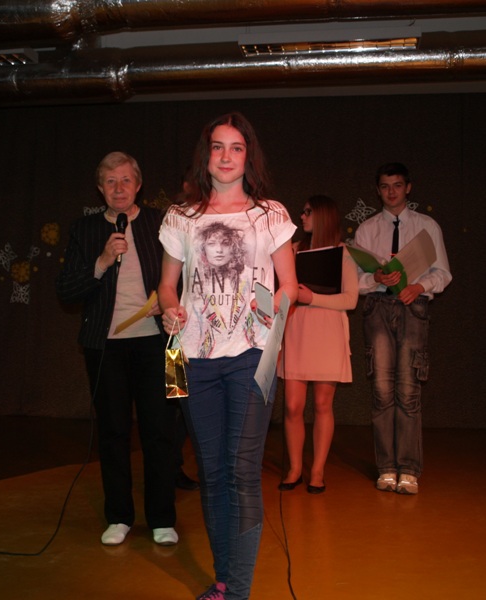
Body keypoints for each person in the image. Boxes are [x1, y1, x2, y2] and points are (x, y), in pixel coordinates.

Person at [158, 112, 298, 600]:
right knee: (212, 473)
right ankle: (223, 582)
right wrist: (170, 309)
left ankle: (236, 592)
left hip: (251, 356)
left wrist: (275, 306)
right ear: (206, 155)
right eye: (218, 147)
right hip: (190, 357)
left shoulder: (270, 214)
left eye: (236, 147)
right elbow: (167, 286)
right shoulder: (181, 216)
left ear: (248, 156)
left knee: (242, 473)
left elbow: (290, 284)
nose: (225, 156)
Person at [56, 151, 178, 546]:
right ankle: (119, 516)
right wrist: (102, 261)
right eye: (111, 181)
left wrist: (169, 299)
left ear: (139, 185)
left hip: (161, 342)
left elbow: (192, 276)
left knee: (162, 431)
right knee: (113, 432)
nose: (119, 188)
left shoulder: (163, 222)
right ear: (100, 189)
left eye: (126, 180)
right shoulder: (85, 229)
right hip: (105, 346)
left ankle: (162, 518)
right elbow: (66, 290)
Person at [354, 162, 452, 495]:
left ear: (408, 187)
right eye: (385, 186)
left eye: (397, 185)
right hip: (378, 308)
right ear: (377, 190)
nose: (391, 192)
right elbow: (355, 280)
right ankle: (386, 468)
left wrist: (419, 286)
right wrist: (376, 277)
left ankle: (408, 469)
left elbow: (443, 273)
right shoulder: (367, 229)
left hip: (413, 308)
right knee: (382, 390)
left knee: (409, 391)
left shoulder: (427, 226)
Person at [277, 195, 358, 494]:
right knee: (292, 406)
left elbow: (351, 299)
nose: (302, 216)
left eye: (308, 212)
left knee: (323, 404)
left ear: (323, 216)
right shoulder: (293, 250)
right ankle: (295, 468)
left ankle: (317, 471)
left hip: (327, 331)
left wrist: (313, 298)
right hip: (297, 329)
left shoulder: (343, 253)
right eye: (303, 211)